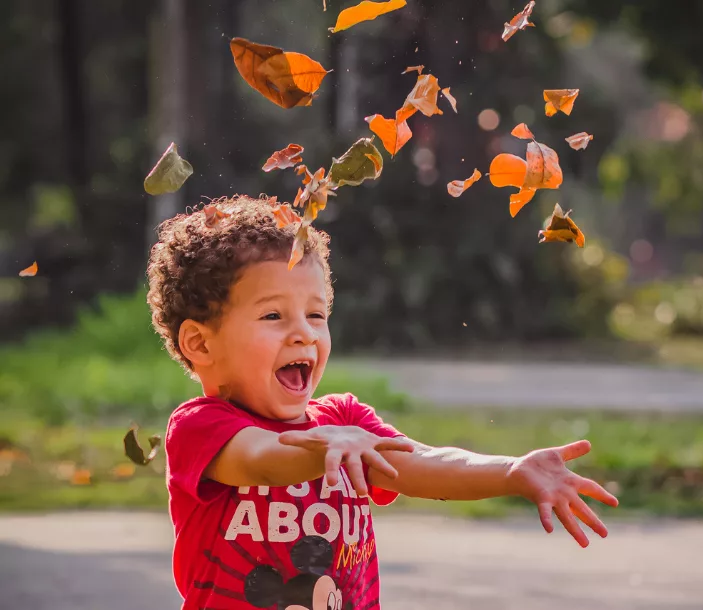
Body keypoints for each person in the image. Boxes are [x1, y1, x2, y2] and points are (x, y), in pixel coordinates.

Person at [147, 195, 619, 610]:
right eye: (273, 315)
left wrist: (510, 470)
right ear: (201, 345)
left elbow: (422, 463)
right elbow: (263, 461)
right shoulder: (200, 427)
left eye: (316, 314)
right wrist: (331, 441)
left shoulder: (344, 419)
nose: (304, 333)